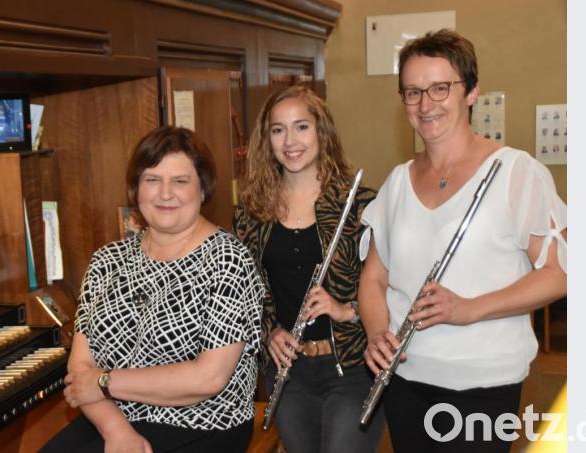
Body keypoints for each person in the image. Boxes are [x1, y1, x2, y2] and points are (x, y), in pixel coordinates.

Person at [359, 29, 567, 453]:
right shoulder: (397, 183)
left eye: (440, 88)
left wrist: (469, 309)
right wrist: (377, 331)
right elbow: (375, 277)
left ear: (471, 92)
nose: (425, 103)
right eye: (413, 92)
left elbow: (560, 273)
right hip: (405, 378)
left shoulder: (515, 172)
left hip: (482, 382)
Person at [42, 126, 264, 453]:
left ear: (203, 189)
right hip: (113, 416)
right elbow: (80, 371)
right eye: (152, 179)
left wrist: (105, 382)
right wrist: (117, 431)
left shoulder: (228, 260)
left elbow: (208, 379)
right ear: (135, 189)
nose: (165, 193)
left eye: (180, 181)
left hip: (204, 423)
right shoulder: (106, 261)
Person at [233, 85, 385, 453]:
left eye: (301, 126)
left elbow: (392, 285)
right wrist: (270, 333)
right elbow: (248, 293)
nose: (290, 140)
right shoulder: (251, 211)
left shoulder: (363, 204)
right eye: (277, 129)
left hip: (352, 367)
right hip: (289, 373)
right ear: (266, 139)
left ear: (322, 131)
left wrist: (346, 310)